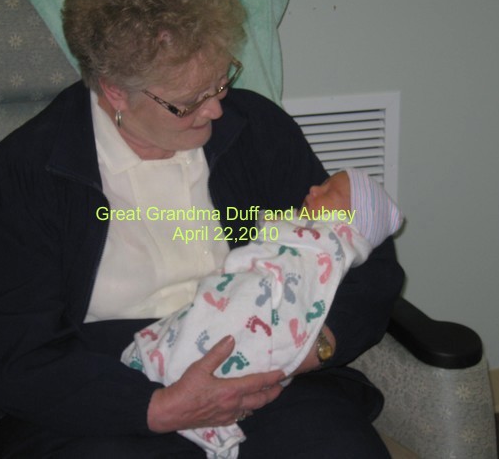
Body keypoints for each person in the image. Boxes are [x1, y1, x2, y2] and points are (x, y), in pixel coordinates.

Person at [0, 0, 404, 457]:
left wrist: (311, 346)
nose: (216, 109)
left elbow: (363, 255)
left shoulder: (256, 130)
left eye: (221, 81)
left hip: (263, 373)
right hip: (105, 389)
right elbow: (16, 347)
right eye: (189, 101)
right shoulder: (27, 172)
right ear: (115, 91)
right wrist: (160, 407)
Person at [122, 168, 403, 457]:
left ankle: (182, 376)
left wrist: (310, 346)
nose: (313, 190)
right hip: (122, 350)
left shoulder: (331, 240)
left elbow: (378, 274)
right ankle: (175, 379)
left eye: (329, 191)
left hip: (272, 356)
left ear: (351, 223)